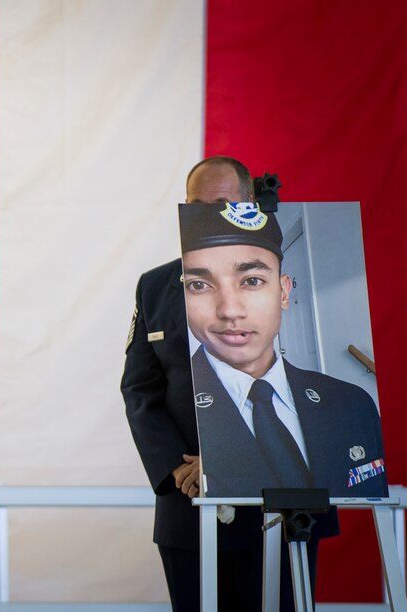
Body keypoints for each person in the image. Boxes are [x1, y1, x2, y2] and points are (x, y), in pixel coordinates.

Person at [122, 157, 329, 611]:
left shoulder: (286, 276)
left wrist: (228, 462)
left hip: (278, 510)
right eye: (196, 206)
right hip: (189, 508)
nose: (206, 217)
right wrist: (179, 471)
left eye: (221, 205)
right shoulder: (157, 286)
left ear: (250, 205)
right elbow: (141, 390)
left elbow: (303, 385)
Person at [180, 202, 387, 499]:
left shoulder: (353, 405)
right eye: (199, 285)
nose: (229, 311)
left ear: (284, 292)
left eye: (252, 281)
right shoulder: (167, 410)